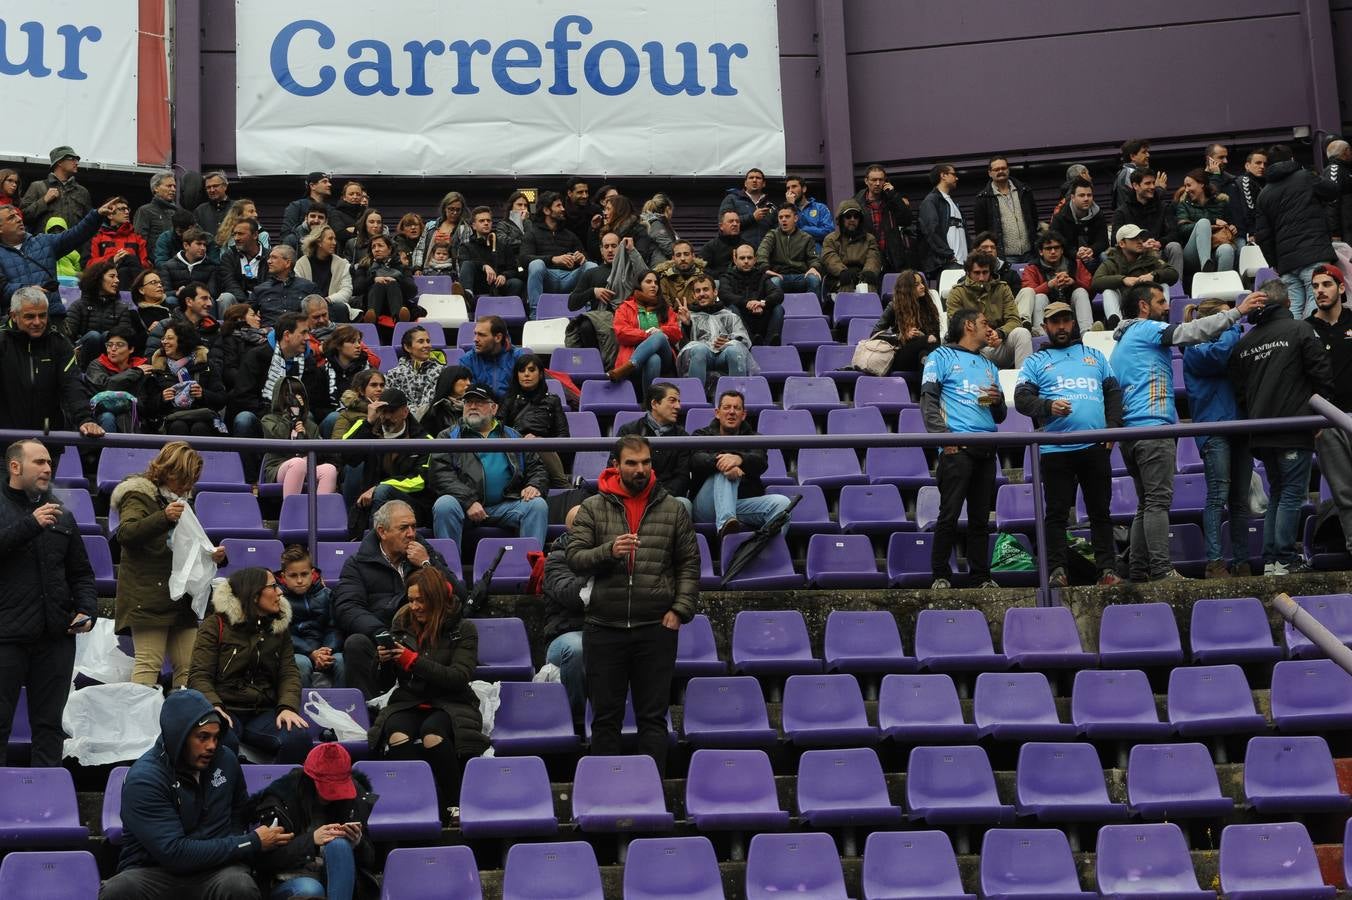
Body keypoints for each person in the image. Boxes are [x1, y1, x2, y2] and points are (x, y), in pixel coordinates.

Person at [1110, 283, 1264, 581]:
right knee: (1157, 503)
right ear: (1143, 306)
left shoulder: (1123, 341)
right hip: (1152, 428)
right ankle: (1162, 570)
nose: (1166, 308)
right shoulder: (1145, 329)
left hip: (1132, 432)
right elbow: (1188, 333)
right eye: (1159, 301)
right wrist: (1236, 313)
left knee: (1146, 504)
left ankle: (1139, 569)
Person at [567, 435, 698, 774]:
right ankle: (605, 798)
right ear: (616, 466)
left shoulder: (673, 509)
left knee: (653, 720)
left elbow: (689, 564)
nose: (640, 470)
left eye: (646, 463)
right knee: (606, 720)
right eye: (632, 463)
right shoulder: (593, 508)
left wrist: (679, 610)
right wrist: (608, 551)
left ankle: (650, 793)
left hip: (655, 629)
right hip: (603, 629)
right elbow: (575, 558)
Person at [98, 689, 289, 900]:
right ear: (178, 735)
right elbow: (174, 853)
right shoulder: (145, 779)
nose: (211, 746)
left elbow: (238, 811)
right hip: (155, 871)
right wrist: (249, 842)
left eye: (216, 737)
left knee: (239, 885)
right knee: (118, 890)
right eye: (203, 737)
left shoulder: (226, 760)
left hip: (216, 870)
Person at [1014, 302, 1124, 588]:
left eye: (1065, 321)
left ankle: (1107, 570)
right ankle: (1057, 570)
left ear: (1073, 323)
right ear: (1045, 327)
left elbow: (1113, 393)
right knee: (1056, 514)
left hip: (1094, 446)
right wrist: (1049, 406)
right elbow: (1023, 400)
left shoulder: (1095, 355)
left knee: (1101, 511)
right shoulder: (1036, 361)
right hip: (1055, 448)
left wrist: (1112, 430)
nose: (1061, 327)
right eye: (1054, 322)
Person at [0, 439, 95, 766]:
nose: (47, 468)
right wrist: (30, 525)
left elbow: (81, 572)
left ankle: (45, 808)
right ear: (15, 467)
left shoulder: (61, 514)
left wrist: (87, 608)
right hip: (6, 637)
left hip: (55, 638)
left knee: (49, 728)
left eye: (49, 463)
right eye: (38, 462)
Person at [1231, 279, 1333, 575]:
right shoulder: (1300, 329)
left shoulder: (1245, 342)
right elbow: (1321, 373)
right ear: (1288, 303)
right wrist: (1319, 416)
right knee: (1290, 494)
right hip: (1292, 426)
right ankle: (1285, 558)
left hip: (1260, 430)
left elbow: (1239, 390)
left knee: (1278, 492)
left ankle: (1272, 560)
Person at [370, 566, 486, 816]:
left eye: (421, 601)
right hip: (410, 700)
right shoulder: (401, 624)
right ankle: (415, 803)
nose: (414, 606)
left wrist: (413, 661)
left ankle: (454, 804)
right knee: (396, 735)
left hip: (451, 701)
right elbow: (384, 683)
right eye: (411, 600)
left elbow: (459, 677)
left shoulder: (463, 629)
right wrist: (384, 661)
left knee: (433, 733)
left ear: (436, 600)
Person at [112, 442, 225, 688]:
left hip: (176, 599)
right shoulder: (138, 494)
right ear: (169, 472)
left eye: (192, 480)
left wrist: (214, 556)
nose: (188, 486)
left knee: (191, 667)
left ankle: (183, 724)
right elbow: (126, 534)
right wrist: (163, 518)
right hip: (147, 597)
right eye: (185, 478)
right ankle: (139, 725)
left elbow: (189, 544)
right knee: (148, 663)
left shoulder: (177, 500)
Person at [333, 500, 456, 700]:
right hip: (383, 638)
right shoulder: (357, 564)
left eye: (413, 527)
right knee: (356, 643)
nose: (411, 533)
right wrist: (382, 634)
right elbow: (348, 608)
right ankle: (369, 712)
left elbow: (457, 596)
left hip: (424, 637)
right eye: (403, 528)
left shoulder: (426, 555)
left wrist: (427, 564)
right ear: (382, 532)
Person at [188, 568, 311, 764]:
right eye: (273, 587)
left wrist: (287, 707)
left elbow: (288, 673)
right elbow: (199, 675)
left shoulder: (279, 627)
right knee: (221, 739)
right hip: (225, 708)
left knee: (298, 737)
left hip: (263, 711)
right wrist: (213, 706)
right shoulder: (215, 625)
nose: (280, 592)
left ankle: (278, 791)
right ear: (254, 595)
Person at [921, 309, 1006, 589]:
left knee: (981, 519)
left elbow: (1000, 415)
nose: (989, 328)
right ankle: (940, 574)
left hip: (986, 447)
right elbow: (928, 402)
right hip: (956, 447)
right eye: (984, 322)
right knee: (950, 514)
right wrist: (944, 439)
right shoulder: (940, 357)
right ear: (969, 326)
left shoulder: (989, 364)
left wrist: (996, 402)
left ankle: (981, 576)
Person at [245, 742, 376, 900]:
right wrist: (311, 841)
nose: (334, 796)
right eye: (328, 787)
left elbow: (371, 861)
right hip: (288, 880)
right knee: (311, 889)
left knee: (339, 845)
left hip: (338, 880)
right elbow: (264, 861)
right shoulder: (280, 800)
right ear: (311, 780)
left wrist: (358, 843)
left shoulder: (354, 795)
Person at [428, 383, 550, 549]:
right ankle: (448, 571)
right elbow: (440, 475)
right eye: (468, 402)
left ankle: (530, 569)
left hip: (505, 505)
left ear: (494, 408)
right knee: (444, 505)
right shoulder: (448, 436)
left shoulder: (512, 435)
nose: (472, 407)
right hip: (463, 506)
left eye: (479, 403)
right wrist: (469, 501)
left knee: (537, 505)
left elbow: (536, 467)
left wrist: (534, 485)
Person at [1181, 297, 1253, 578]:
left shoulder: (1230, 343)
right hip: (1213, 428)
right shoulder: (1194, 347)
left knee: (1239, 499)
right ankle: (1215, 562)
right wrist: (1234, 327)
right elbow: (1218, 356)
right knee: (1217, 496)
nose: (1231, 322)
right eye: (1225, 318)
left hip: (1239, 425)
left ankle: (1242, 562)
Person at [0, 287, 103, 435]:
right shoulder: (2, 342)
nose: (37, 322)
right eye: (29, 316)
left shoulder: (59, 343)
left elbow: (72, 384)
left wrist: (85, 419)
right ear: (13, 315)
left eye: (42, 315)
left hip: (48, 439)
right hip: (4, 441)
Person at [689, 390, 792, 537]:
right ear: (717, 413)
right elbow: (696, 460)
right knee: (726, 471)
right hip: (707, 507)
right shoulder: (701, 435)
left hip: (740, 505)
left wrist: (739, 459)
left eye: (737, 408)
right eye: (727, 407)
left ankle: (764, 549)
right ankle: (726, 525)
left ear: (743, 415)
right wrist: (725, 461)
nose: (731, 412)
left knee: (783, 504)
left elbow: (760, 462)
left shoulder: (755, 438)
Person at [1255, 144, 1339, 320]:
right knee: (1315, 300)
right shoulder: (1305, 177)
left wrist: (1275, 263)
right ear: (1292, 159)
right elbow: (1332, 190)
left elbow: (1263, 236)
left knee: (1293, 308)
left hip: (1287, 263)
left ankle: (1294, 344)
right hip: (1313, 253)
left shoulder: (1263, 195)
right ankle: (1311, 343)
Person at [0, 197, 112, 318]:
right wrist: (27, 291)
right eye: (11, 218)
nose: (19, 219)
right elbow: (3, 289)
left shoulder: (44, 241)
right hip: (16, 322)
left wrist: (97, 215)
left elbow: (76, 234)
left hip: (53, 317)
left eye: (18, 215)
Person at [233, 312, 335, 439]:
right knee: (244, 419)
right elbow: (243, 397)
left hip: (301, 421)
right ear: (287, 335)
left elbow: (319, 404)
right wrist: (276, 418)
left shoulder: (309, 363)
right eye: (303, 333)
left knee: (326, 418)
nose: (308, 337)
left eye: (308, 332)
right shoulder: (256, 357)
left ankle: (312, 458)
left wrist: (296, 415)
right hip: (263, 418)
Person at [1310, 266, 1352, 559]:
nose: (1320, 290)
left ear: (1341, 287)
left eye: (1326, 284)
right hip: (1328, 421)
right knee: (1344, 492)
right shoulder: (1305, 328)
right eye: (1315, 286)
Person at [945, 252, 1032, 369]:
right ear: (968, 273)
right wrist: (985, 337)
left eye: (985, 272)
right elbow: (956, 326)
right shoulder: (957, 292)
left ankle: (1024, 382)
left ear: (991, 272)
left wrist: (999, 333)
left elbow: (1014, 320)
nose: (981, 278)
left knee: (1022, 333)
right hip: (972, 348)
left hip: (999, 344)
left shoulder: (1002, 288)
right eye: (976, 273)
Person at [542, 509, 587, 727]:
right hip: (565, 636)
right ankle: (575, 719)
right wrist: (595, 568)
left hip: (606, 630)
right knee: (577, 648)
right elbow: (571, 597)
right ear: (571, 531)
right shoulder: (557, 559)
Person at [143, 320, 227, 436]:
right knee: (178, 425)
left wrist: (203, 394)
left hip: (202, 417)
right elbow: (145, 406)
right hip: (169, 419)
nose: (164, 342)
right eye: (164, 338)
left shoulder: (206, 365)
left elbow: (221, 399)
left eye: (169, 338)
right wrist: (161, 398)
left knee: (200, 427)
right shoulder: (156, 367)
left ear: (183, 340)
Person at [277, 545, 345, 689]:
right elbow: (283, 633)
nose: (300, 580)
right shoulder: (279, 599)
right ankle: (300, 706)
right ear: (283, 576)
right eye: (293, 576)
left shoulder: (326, 594)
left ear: (312, 573)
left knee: (341, 660)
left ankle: (343, 707)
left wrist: (327, 650)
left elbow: (334, 627)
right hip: (297, 652)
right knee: (301, 663)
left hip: (324, 648)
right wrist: (310, 652)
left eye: (304, 574)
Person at [1091, 223, 1181, 331]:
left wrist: (1153, 275)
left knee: (1163, 284)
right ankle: (1117, 326)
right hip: (1125, 305)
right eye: (1133, 238)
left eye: (1140, 238)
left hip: (1149, 304)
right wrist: (1122, 280)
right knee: (1108, 291)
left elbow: (1173, 273)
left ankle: (1161, 321)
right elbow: (1096, 282)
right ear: (1122, 243)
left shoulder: (1150, 258)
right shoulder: (1112, 262)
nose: (1139, 241)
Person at [500, 353, 571, 488]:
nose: (526, 374)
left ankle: (565, 489)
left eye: (531, 370)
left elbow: (564, 437)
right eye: (522, 370)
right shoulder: (508, 400)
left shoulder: (553, 400)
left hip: (546, 454)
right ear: (517, 375)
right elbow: (498, 431)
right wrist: (520, 440)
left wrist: (540, 440)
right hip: (516, 452)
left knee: (538, 443)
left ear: (540, 374)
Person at [618, 382, 693, 506]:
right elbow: (615, 469)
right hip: (632, 495)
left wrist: (657, 496)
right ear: (654, 404)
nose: (678, 406)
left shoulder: (682, 436)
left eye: (678, 402)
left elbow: (682, 477)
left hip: (666, 498)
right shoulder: (628, 430)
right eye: (672, 401)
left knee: (684, 504)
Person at [262, 377, 339, 497]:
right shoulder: (269, 420)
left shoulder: (311, 425)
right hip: (278, 467)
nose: (295, 399)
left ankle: (320, 514)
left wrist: (306, 436)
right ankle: (291, 513)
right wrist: (289, 417)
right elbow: (278, 436)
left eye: (299, 394)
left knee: (329, 469)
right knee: (298, 463)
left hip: (307, 467)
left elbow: (319, 453)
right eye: (289, 395)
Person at [523, 191, 597, 314]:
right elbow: (524, 259)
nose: (563, 209)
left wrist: (581, 257)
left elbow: (586, 255)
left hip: (569, 277)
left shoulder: (570, 234)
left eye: (562, 205)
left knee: (591, 266)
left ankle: (588, 312)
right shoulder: (532, 234)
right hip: (547, 276)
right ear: (546, 210)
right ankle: (535, 314)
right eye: (558, 206)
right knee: (536, 264)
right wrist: (552, 259)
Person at [609, 270, 683, 390]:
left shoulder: (665, 308)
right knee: (653, 359)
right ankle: (648, 401)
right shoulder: (625, 308)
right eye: (648, 282)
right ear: (639, 285)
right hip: (634, 354)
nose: (654, 285)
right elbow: (621, 333)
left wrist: (660, 331)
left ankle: (630, 364)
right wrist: (647, 334)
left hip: (665, 357)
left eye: (656, 282)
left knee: (659, 336)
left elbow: (676, 333)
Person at [677, 274, 753, 385]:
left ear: (715, 292)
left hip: (724, 356)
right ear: (693, 295)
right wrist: (686, 325)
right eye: (698, 291)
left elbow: (744, 340)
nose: (702, 294)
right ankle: (695, 398)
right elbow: (682, 348)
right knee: (699, 350)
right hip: (701, 356)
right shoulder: (688, 316)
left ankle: (736, 396)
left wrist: (730, 341)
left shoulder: (729, 315)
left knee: (735, 349)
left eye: (705, 289)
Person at [1017, 231, 1095, 334]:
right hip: (1048, 313)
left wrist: (1074, 282)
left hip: (1071, 311)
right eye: (1048, 248)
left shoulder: (1075, 264)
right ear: (1041, 251)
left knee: (1080, 291)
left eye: (1056, 248)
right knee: (1040, 297)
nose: (1053, 252)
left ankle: (1087, 333)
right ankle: (1041, 336)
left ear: (1062, 250)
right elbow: (1028, 295)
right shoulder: (1032, 268)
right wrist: (1049, 285)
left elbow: (1092, 290)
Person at [67, 258, 142, 365]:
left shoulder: (121, 308)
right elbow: (68, 336)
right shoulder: (79, 305)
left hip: (111, 357)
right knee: (93, 336)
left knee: (109, 337)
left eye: (117, 277)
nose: (117, 280)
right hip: (83, 357)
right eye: (112, 276)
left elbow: (125, 338)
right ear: (98, 279)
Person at [1111, 167, 1185, 275]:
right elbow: (1116, 239)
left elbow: (1174, 233)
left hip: (1159, 250)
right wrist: (1141, 245)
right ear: (1135, 186)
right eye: (1147, 183)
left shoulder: (1163, 207)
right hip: (1135, 255)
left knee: (1175, 246)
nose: (1152, 187)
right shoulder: (1122, 212)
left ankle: (1176, 289)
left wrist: (1160, 243)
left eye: (1153, 183)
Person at [872, 270, 942, 373]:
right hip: (901, 354)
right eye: (917, 285)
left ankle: (925, 388)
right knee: (928, 345)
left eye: (922, 283)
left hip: (924, 353)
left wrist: (922, 336)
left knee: (923, 354)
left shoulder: (929, 307)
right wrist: (901, 336)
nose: (922, 286)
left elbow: (936, 340)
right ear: (907, 289)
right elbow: (874, 334)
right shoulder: (894, 307)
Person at [87, 326, 152, 433]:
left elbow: (143, 402)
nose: (112, 349)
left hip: (133, 417)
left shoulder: (142, 367)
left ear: (131, 349)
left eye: (119, 345)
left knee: (124, 416)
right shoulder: (96, 366)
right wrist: (135, 373)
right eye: (109, 345)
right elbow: (105, 386)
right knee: (107, 417)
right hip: (98, 416)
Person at [973, 156, 1037, 261]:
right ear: (990, 173)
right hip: (1004, 256)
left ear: (1008, 170)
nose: (1001, 171)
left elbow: (1034, 219)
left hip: (1030, 253)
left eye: (1003, 168)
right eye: (996, 169)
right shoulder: (983, 198)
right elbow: (981, 232)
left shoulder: (1025, 191)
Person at [1175, 168, 1239, 275]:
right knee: (1204, 222)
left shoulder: (1220, 203)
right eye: (1185, 186)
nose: (1186, 189)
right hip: (1192, 254)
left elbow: (1230, 224)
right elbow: (1182, 231)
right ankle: (1206, 266)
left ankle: (1222, 288)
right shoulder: (1183, 205)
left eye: (1189, 185)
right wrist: (1212, 221)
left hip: (1216, 247)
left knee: (1227, 249)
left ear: (1202, 184)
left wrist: (1232, 228)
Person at [720, 243, 785, 345]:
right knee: (732, 308)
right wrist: (747, 303)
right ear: (735, 260)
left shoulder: (763, 277)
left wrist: (762, 303)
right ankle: (748, 341)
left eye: (749, 258)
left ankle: (771, 342)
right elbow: (725, 294)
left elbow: (778, 294)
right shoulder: (727, 277)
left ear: (755, 260)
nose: (746, 261)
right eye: (742, 258)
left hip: (761, 316)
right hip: (741, 317)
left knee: (778, 308)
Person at [854, 165, 914, 273]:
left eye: (881, 180)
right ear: (866, 181)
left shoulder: (891, 199)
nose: (877, 183)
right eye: (874, 180)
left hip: (892, 256)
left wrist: (894, 196)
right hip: (868, 257)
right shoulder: (856, 203)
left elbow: (907, 220)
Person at [757, 203, 824, 300]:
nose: (783, 219)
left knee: (814, 279)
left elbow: (814, 258)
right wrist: (765, 268)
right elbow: (762, 251)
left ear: (795, 218)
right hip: (779, 275)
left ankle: (813, 312)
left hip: (800, 276)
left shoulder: (806, 237)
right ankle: (777, 313)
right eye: (780, 217)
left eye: (787, 216)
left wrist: (814, 267)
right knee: (774, 281)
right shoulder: (772, 235)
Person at [19, 146, 91, 232]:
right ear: (59, 162)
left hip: (73, 245)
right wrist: (44, 201)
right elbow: (23, 217)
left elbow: (89, 224)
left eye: (77, 160)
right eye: (72, 159)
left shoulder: (82, 192)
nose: (76, 163)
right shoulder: (37, 187)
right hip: (45, 244)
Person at [353, 234, 418, 327]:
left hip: (396, 303)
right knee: (378, 285)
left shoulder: (402, 268)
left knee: (392, 284)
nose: (376, 249)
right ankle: (372, 317)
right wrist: (373, 279)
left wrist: (396, 279)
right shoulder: (364, 267)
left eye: (380, 245)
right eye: (373, 247)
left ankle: (399, 318)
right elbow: (356, 288)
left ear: (390, 249)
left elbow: (412, 291)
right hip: (370, 304)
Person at [460, 206, 525, 299]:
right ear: (474, 226)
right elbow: (463, 265)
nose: (486, 223)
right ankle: (467, 298)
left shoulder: (503, 246)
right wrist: (484, 266)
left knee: (516, 283)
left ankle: (510, 310)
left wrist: (504, 275)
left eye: (488, 221)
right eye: (482, 221)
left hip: (499, 285)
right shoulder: (466, 247)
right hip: (478, 284)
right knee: (467, 264)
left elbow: (514, 269)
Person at [88, 196, 152, 289]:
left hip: (132, 278)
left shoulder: (137, 238)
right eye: (122, 209)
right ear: (110, 215)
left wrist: (130, 258)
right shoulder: (97, 237)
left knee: (126, 267)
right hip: (105, 280)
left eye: (127, 209)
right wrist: (113, 260)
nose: (126, 212)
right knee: (123, 271)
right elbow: (90, 265)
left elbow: (146, 265)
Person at [822, 199, 883, 293]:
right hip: (839, 277)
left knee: (868, 284)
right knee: (846, 283)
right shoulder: (831, 239)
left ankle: (870, 308)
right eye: (848, 216)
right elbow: (829, 258)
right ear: (841, 219)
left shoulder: (869, 238)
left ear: (860, 219)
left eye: (856, 216)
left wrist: (869, 271)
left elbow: (873, 258)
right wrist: (841, 271)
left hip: (863, 274)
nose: (852, 219)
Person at [295, 225, 355, 319]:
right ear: (319, 242)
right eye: (330, 239)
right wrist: (313, 304)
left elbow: (346, 291)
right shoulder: (301, 264)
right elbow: (298, 291)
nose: (334, 243)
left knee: (341, 309)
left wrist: (327, 300)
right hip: (308, 308)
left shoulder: (342, 264)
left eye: (335, 239)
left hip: (332, 305)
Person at [917, 163, 967, 277]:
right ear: (943, 175)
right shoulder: (931, 201)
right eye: (953, 174)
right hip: (950, 263)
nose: (956, 178)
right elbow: (931, 230)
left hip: (962, 264)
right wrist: (948, 255)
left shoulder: (951, 202)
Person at [254, 245, 321, 329]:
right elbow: (245, 312)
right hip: (268, 337)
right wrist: (249, 316)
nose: (269, 261)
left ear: (287, 263)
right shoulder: (260, 289)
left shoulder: (309, 287)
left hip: (300, 335)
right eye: (269, 258)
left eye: (274, 258)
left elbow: (320, 314)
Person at [1050, 178, 1109, 271]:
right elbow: (1057, 245)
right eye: (1081, 195)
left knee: (1104, 257)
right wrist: (1075, 254)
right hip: (1069, 259)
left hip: (1093, 256)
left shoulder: (1098, 214)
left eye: (1089, 195)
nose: (1086, 199)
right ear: (1073, 197)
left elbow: (1104, 242)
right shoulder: (1060, 218)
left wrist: (1092, 250)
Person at [462, 314, 525, 399]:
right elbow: (468, 395)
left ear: (498, 338)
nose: (475, 339)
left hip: (513, 409)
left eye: (482, 335)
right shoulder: (467, 360)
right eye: (475, 334)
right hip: (480, 407)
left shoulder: (518, 357)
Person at [412, 191, 471, 273]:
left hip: (452, 273)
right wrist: (417, 268)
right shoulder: (430, 226)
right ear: (444, 208)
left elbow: (465, 254)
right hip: (427, 272)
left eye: (458, 210)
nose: (454, 213)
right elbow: (420, 249)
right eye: (451, 209)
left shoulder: (464, 229)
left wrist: (451, 245)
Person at [718, 168, 777, 251]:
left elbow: (777, 233)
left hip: (765, 255)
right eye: (751, 178)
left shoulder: (771, 206)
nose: (754, 180)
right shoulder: (732, 199)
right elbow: (724, 225)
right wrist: (752, 217)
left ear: (763, 184)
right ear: (745, 183)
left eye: (758, 178)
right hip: (739, 254)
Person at [161, 227, 225, 299]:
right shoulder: (168, 266)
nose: (203, 248)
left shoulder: (211, 267)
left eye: (204, 245)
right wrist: (176, 292)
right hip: (179, 302)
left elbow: (212, 292)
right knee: (170, 300)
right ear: (186, 245)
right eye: (199, 244)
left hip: (203, 302)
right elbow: (164, 292)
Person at [217, 217, 267, 305]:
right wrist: (246, 304)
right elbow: (229, 283)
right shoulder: (229, 256)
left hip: (263, 300)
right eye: (234, 234)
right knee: (225, 297)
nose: (236, 238)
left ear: (255, 235)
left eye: (240, 234)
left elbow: (269, 283)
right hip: (239, 302)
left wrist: (254, 303)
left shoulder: (270, 256)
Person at [134, 171, 182, 251]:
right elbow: (139, 241)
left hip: (175, 261)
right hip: (154, 262)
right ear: (156, 188)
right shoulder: (145, 211)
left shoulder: (177, 212)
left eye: (174, 186)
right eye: (169, 186)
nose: (173, 189)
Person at [652, 241, 707, 309]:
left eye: (686, 254)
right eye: (678, 255)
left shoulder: (704, 277)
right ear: (673, 258)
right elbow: (666, 309)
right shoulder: (664, 279)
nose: (682, 258)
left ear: (693, 256)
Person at [784, 175, 834, 249]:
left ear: (804, 189)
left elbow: (828, 232)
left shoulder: (820, 208)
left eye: (794, 186)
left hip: (817, 254)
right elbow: (786, 233)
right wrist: (791, 207)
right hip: (795, 254)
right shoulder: (785, 211)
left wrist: (803, 229)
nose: (790, 191)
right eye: (788, 188)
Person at [1231, 148, 1268, 242]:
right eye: (1258, 163)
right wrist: (1252, 232)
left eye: (1265, 164)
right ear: (1247, 165)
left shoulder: (1264, 183)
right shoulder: (1245, 181)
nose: (1262, 166)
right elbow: (1249, 208)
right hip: (1249, 233)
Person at [698, 209, 744, 280]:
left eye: (737, 221)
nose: (735, 224)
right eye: (731, 221)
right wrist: (723, 276)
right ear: (721, 226)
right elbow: (701, 268)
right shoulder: (710, 247)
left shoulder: (747, 246)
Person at [282, 172, 332, 236]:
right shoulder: (297, 206)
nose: (329, 184)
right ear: (312, 186)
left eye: (329, 182)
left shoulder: (330, 209)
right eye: (324, 182)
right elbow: (286, 233)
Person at [1112, 139, 1153, 209]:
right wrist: (1159, 189)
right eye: (1144, 152)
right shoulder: (1130, 173)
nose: (1148, 155)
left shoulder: (1125, 172)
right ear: (1133, 156)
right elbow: (1142, 198)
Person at [641, 193, 680, 264]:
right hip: (660, 268)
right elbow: (667, 247)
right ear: (668, 209)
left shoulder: (657, 223)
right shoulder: (657, 224)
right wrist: (681, 254)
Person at [194, 170, 232, 240]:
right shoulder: (200, 210)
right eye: (208, 187)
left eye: (215, 186)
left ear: (225, 186)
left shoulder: (237, 207)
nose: (212, 190)